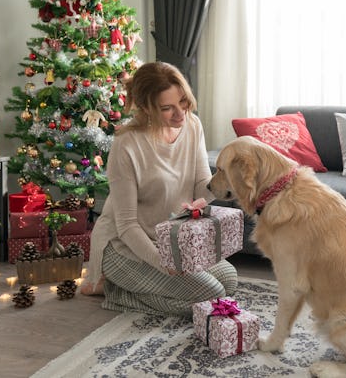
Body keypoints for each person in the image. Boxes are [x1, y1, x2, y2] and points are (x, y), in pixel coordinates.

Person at [80, 61, 238, 316]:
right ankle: (117, 290)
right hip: (125, 247)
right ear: (145, 108)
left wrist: (228, 186)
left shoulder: (192, 125)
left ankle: (134, 287)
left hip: (170, 240)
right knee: (212, 295)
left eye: (183, 102)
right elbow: (127, 226)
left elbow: (201, 187)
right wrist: (163, 262)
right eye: (167, 108)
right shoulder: (126, 144)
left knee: (229, 279)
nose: (180, 114)